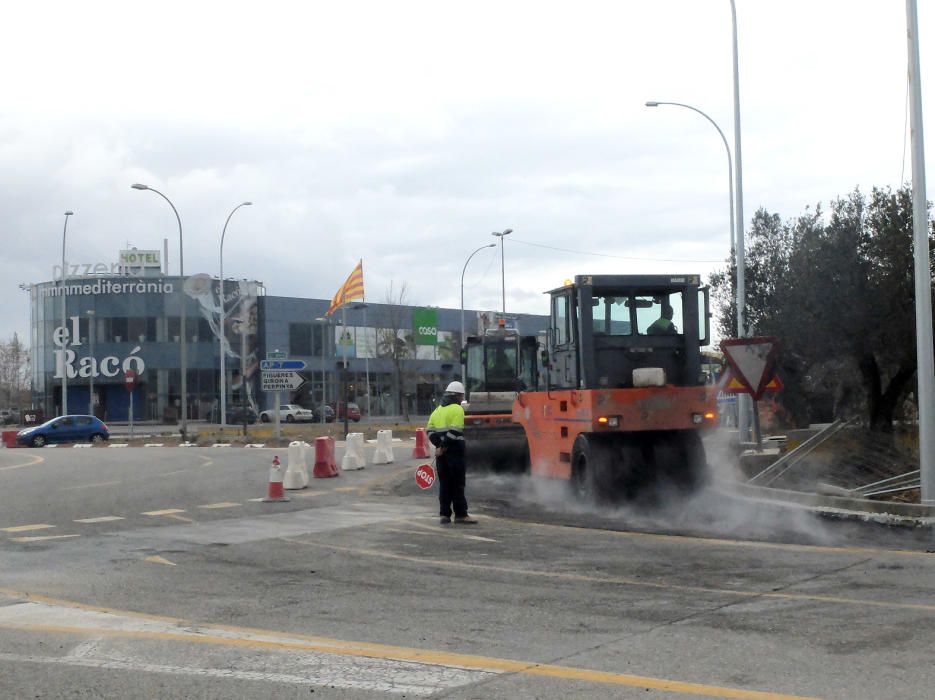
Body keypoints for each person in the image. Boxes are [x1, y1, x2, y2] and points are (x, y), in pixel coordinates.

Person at [426, 381, 477, 525]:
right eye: (461, 396)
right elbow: (456, 431)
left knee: (444, 483)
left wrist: (439, 446)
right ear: (457, 395)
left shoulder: (437, 411)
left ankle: (444, 514)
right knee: (457, 483)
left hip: (441, 454)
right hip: (455, 451)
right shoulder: (457, 409)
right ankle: (461, 514)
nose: (462, 398)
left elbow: (429, 430)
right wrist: (444, 446)